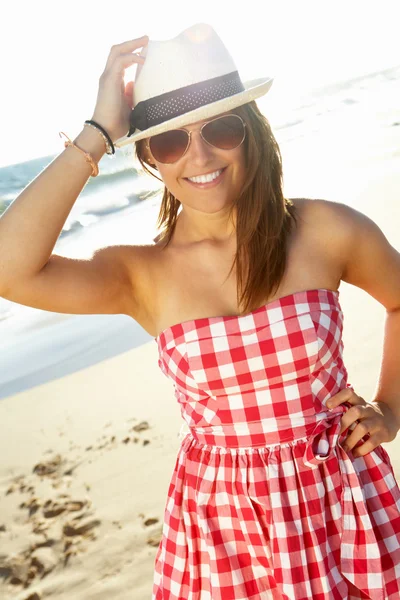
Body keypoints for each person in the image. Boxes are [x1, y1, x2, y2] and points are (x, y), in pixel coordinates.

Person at [1, 22, 399, 600]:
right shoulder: (140, 274)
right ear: (148, 158)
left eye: (222, 128)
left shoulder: (324, 230)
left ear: (253, 131)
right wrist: (95, 134)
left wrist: (390, 407)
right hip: (225, 527)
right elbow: (8, 269)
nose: (201, 155)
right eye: (170, 142)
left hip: (339, 502)